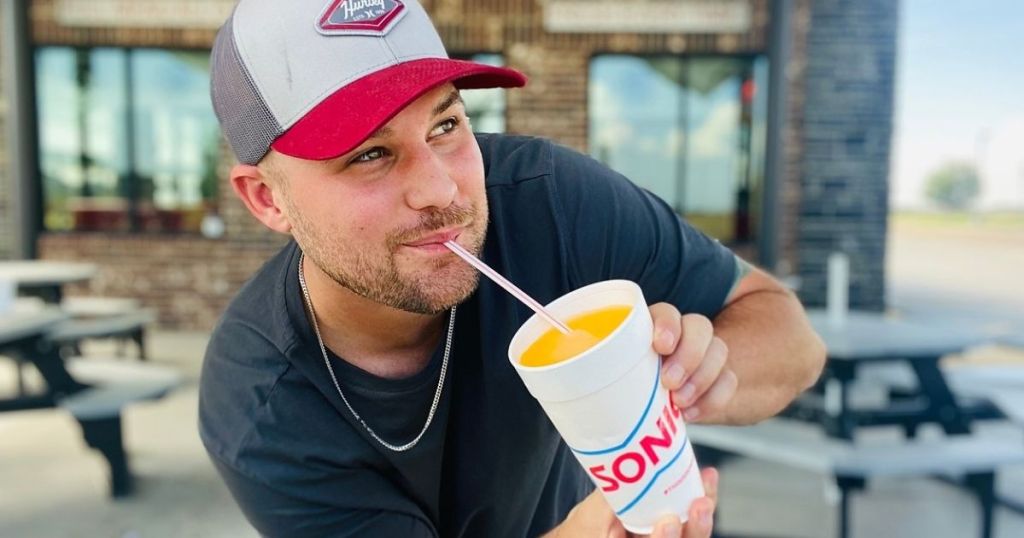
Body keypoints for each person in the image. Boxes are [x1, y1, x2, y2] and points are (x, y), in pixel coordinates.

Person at [198, 1, 826, 537]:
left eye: (445, 124)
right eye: (371, 153)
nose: (441, 191)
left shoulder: (548, 200)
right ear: (266, 198)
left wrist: (702, 375)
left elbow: (793, 340)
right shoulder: (261, 407)